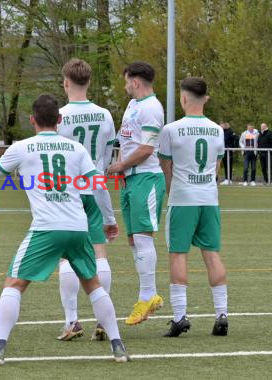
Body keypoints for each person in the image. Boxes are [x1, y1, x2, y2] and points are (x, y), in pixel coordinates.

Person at [0, 94, 129, 366]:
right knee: (93, 286)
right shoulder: (76, 149)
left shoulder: (22, 147)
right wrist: (105, 216)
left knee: (14, 283)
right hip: (78, 227)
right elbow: (99, 184)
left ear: (32, 119)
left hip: (46, 229)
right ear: (59, 120)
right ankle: (118, 346)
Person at [158, 77, 229, 337]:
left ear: (183, 98)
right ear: (205, 99)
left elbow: (166, 167)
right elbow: (217, 166)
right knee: (211, 254)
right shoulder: (217, 130)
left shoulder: (171, 129)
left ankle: (179, 317)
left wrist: (171, 190)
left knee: (178, 254)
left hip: (183, 198)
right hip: (209, 198)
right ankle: (222, 313)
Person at [55, 58, 118, 342]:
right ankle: (103, 320)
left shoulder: (59, 115)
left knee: (68, 255)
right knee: (99, 252)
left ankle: (72, 321)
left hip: (67, 191)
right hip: (95, 187)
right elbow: (105, 158)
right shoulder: (104, 115)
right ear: (89, 82)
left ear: (66, 82)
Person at [106, 61, 165, 325]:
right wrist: (121, 165)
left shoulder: (152, 108)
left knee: (142, 236)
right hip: (131, 179)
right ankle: (148, 294)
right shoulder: (133, 106)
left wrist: (120, 164)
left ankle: (147, 296)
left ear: (136, 81)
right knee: (133, 238)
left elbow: (147, 149)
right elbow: (128, 141)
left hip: (147, 178)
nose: (125, 85)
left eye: (127, 80)